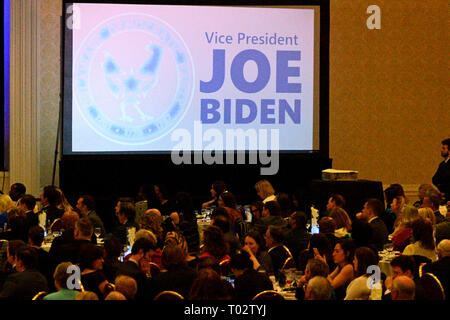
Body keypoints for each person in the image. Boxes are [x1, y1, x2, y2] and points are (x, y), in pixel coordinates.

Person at [28, 225, 53, 290]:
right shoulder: (47, 256)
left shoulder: (25, 254)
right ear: (43, 239)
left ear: (29, 239)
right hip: (44, 286)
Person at [432, 138, 450, 203]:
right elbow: (434, 179)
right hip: (442, 195)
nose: (441, 150)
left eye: (444, 148)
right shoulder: (442, 164)